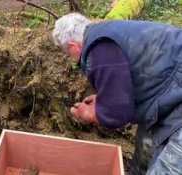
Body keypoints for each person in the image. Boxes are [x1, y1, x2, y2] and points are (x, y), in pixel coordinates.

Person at [52, 13, 182, 174]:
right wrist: (104, 98)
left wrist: (92, 114)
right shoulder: (107, 34)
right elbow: (130, 77)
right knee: (143, 154)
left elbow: (118, 112)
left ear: (73, 45)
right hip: (169, 93)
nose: (72, 59)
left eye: (68, 53)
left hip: (175, 98)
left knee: (168, 169)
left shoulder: (98, 48)